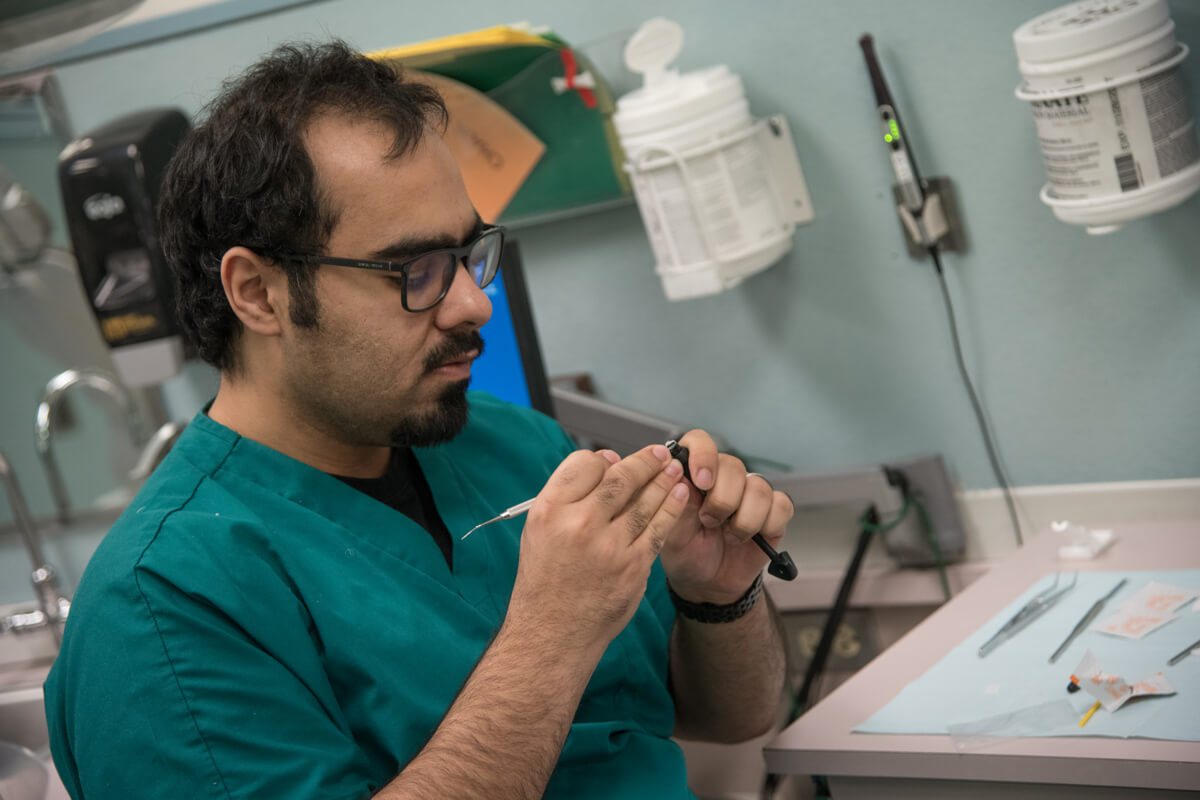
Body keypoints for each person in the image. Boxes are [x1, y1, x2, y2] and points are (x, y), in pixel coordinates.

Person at [44, 40, 791, 800]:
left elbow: (731, 716)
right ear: (259, 293)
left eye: (468, 255)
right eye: (416, 270)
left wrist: (718, 595)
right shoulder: (162, 604)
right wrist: (550, 638)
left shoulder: (515, 445)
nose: (474, 304)